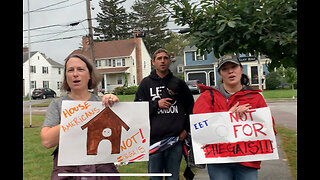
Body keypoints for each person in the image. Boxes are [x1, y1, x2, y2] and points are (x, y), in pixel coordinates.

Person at [193, 54, 276, 180]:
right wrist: (227, 116)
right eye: (225, 69)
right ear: (220, 74)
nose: (230, 71)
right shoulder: (208, 97)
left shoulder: (255, 97)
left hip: (247, 160)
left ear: (241, 70)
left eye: (234, 67)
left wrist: (250, 116)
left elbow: (269, 128)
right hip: (219, 161)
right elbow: (199, 127)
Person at [41, 54, 120, 180]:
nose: (75, 74)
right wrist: (79, 117)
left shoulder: (103, 104)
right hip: (68, 172)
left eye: (80, 69)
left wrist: (115, 107)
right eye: (70, 70)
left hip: (101, 171)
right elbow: (47, 141)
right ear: (66, 77)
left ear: (90, 75)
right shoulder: (57, 104)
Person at [134, 48, 194, 180]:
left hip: (175, 141)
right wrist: (156, 104)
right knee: (155, 178)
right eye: (159, 58)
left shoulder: (179, 83)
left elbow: (191, 107)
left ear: (169, 61)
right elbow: (137, 110)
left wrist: (186, 129)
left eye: (165, 58)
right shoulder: (146, 84)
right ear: (153, 62)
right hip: (154, 142)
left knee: (173, 177)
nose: (162, 61)